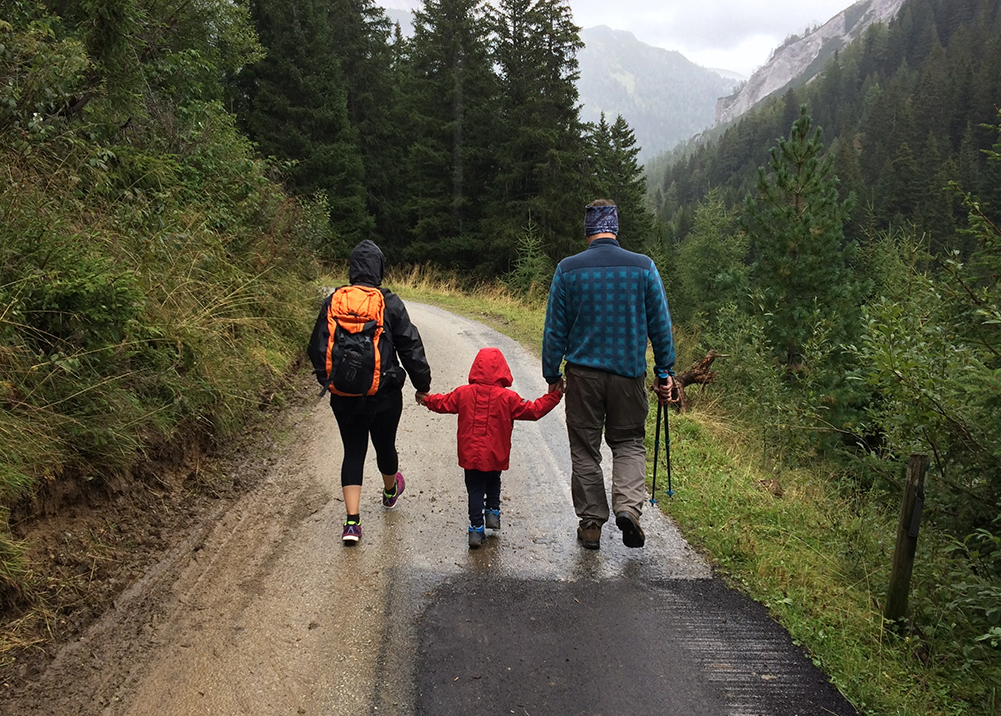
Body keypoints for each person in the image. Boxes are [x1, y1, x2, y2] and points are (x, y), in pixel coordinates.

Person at [541, 200, 676, 550]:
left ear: (587, 230)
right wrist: (665, 371)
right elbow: (660, 326)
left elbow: (555, 330)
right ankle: (628, 509)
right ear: (615, 228)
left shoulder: (568, 270)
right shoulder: (643, 268)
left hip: (583, 377)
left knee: (585, 450)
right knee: (629, 442)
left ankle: (590, 526)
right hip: (629, 375)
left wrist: (551, 372)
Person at [308, 240, 432, 545]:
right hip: (384, 395)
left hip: (343, 396)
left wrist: (332, 380)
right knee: (385, 446)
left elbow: (316, 347)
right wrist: (422, 385)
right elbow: (410, 345)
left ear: (352, 269)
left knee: (353, 451)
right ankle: (390, 491)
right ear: (379, 269)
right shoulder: (389, 302)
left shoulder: (333, 301)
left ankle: (352, 522)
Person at [421, 347, 563, 548]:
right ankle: (493, 512)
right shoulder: (508, 398)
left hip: (470, 454)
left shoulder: (463, 393)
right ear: (502, 370)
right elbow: (533, 410)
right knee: (494, 480)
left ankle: (476, 529)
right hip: (496, 453)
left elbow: (443, 403)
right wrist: (554, 396)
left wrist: (426, 399)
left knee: (475, 488)